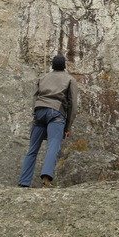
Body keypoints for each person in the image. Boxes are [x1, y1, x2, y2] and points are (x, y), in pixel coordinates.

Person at [18, 54, 78, 188]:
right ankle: (46, 179)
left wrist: (36, 114)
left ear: (52, 66)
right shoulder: (70, 79)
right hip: (55, 112)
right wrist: (67, 127)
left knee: (32, 149)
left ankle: (24, 181)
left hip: (39, 111)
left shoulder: (43, 77)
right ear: (64, 66)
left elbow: (35, 97)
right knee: (53, 145)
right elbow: (73, 105)